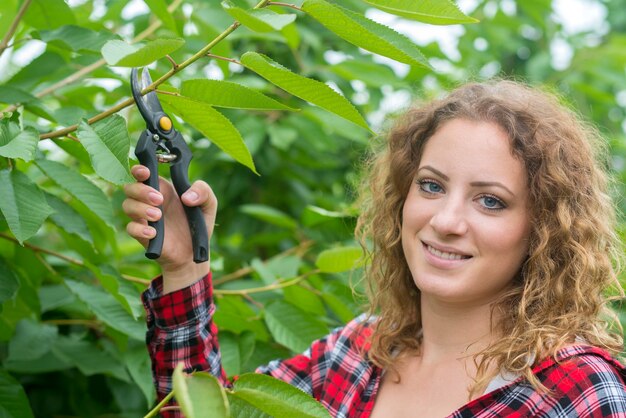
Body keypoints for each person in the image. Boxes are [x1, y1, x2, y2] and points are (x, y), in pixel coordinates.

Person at [123, 80, 626, 417]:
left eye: (490, 201)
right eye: (430, 186)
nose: (445, 221)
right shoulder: (361, 352)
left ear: (543, 230)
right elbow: (201, 410)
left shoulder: (576, 392)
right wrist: (186, 268)